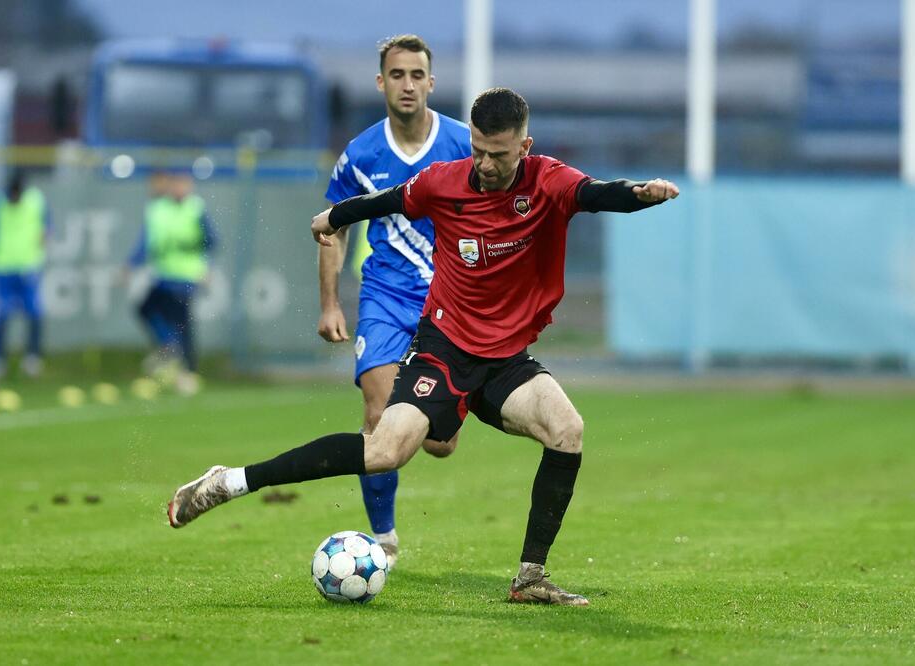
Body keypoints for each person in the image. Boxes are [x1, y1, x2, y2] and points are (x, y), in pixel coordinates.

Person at [167, 88, 679, 606]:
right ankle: (228, 482)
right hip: (445, 348)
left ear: (525, 146)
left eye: (497, 155)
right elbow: (388, 200)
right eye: (477, 150)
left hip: (505, 360)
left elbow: (597, 193)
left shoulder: (549, 180)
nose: (484, 163)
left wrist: (639, 193)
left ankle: (529, 578)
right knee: (385, 452)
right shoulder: (446, 182)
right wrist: (336, 217)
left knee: (567, 429)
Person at [318, 34, 471, 569]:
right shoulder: (360, 155)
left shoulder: (461, 144)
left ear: (432, 82)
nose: (408, 85)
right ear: (381, 82)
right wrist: (331, 304)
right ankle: (382, 540)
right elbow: (333, 230)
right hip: (384, 297)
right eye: (397, 75)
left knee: (439, 444)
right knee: (379, 416)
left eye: (417, 75)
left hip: (451, 305)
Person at [128, 171, 217, 395]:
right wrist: (131, 264)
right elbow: (147, 242)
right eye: (176, 184)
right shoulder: (158, 209)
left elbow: (211, 240)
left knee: (182, 323)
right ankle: (170, 348)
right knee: (145, 308)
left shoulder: (195, 208)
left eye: (184, 184)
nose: (180, 189)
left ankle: (187, 372)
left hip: (187, 276)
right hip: (164, 275)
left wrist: (206, 267)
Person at [0, 169, 49, 377]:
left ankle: (32, 357)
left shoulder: (36, 201)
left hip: (28, 267)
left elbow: (46, 227)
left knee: (35, 313)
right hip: (2, 267)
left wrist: (41, 242)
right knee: (0, 315)